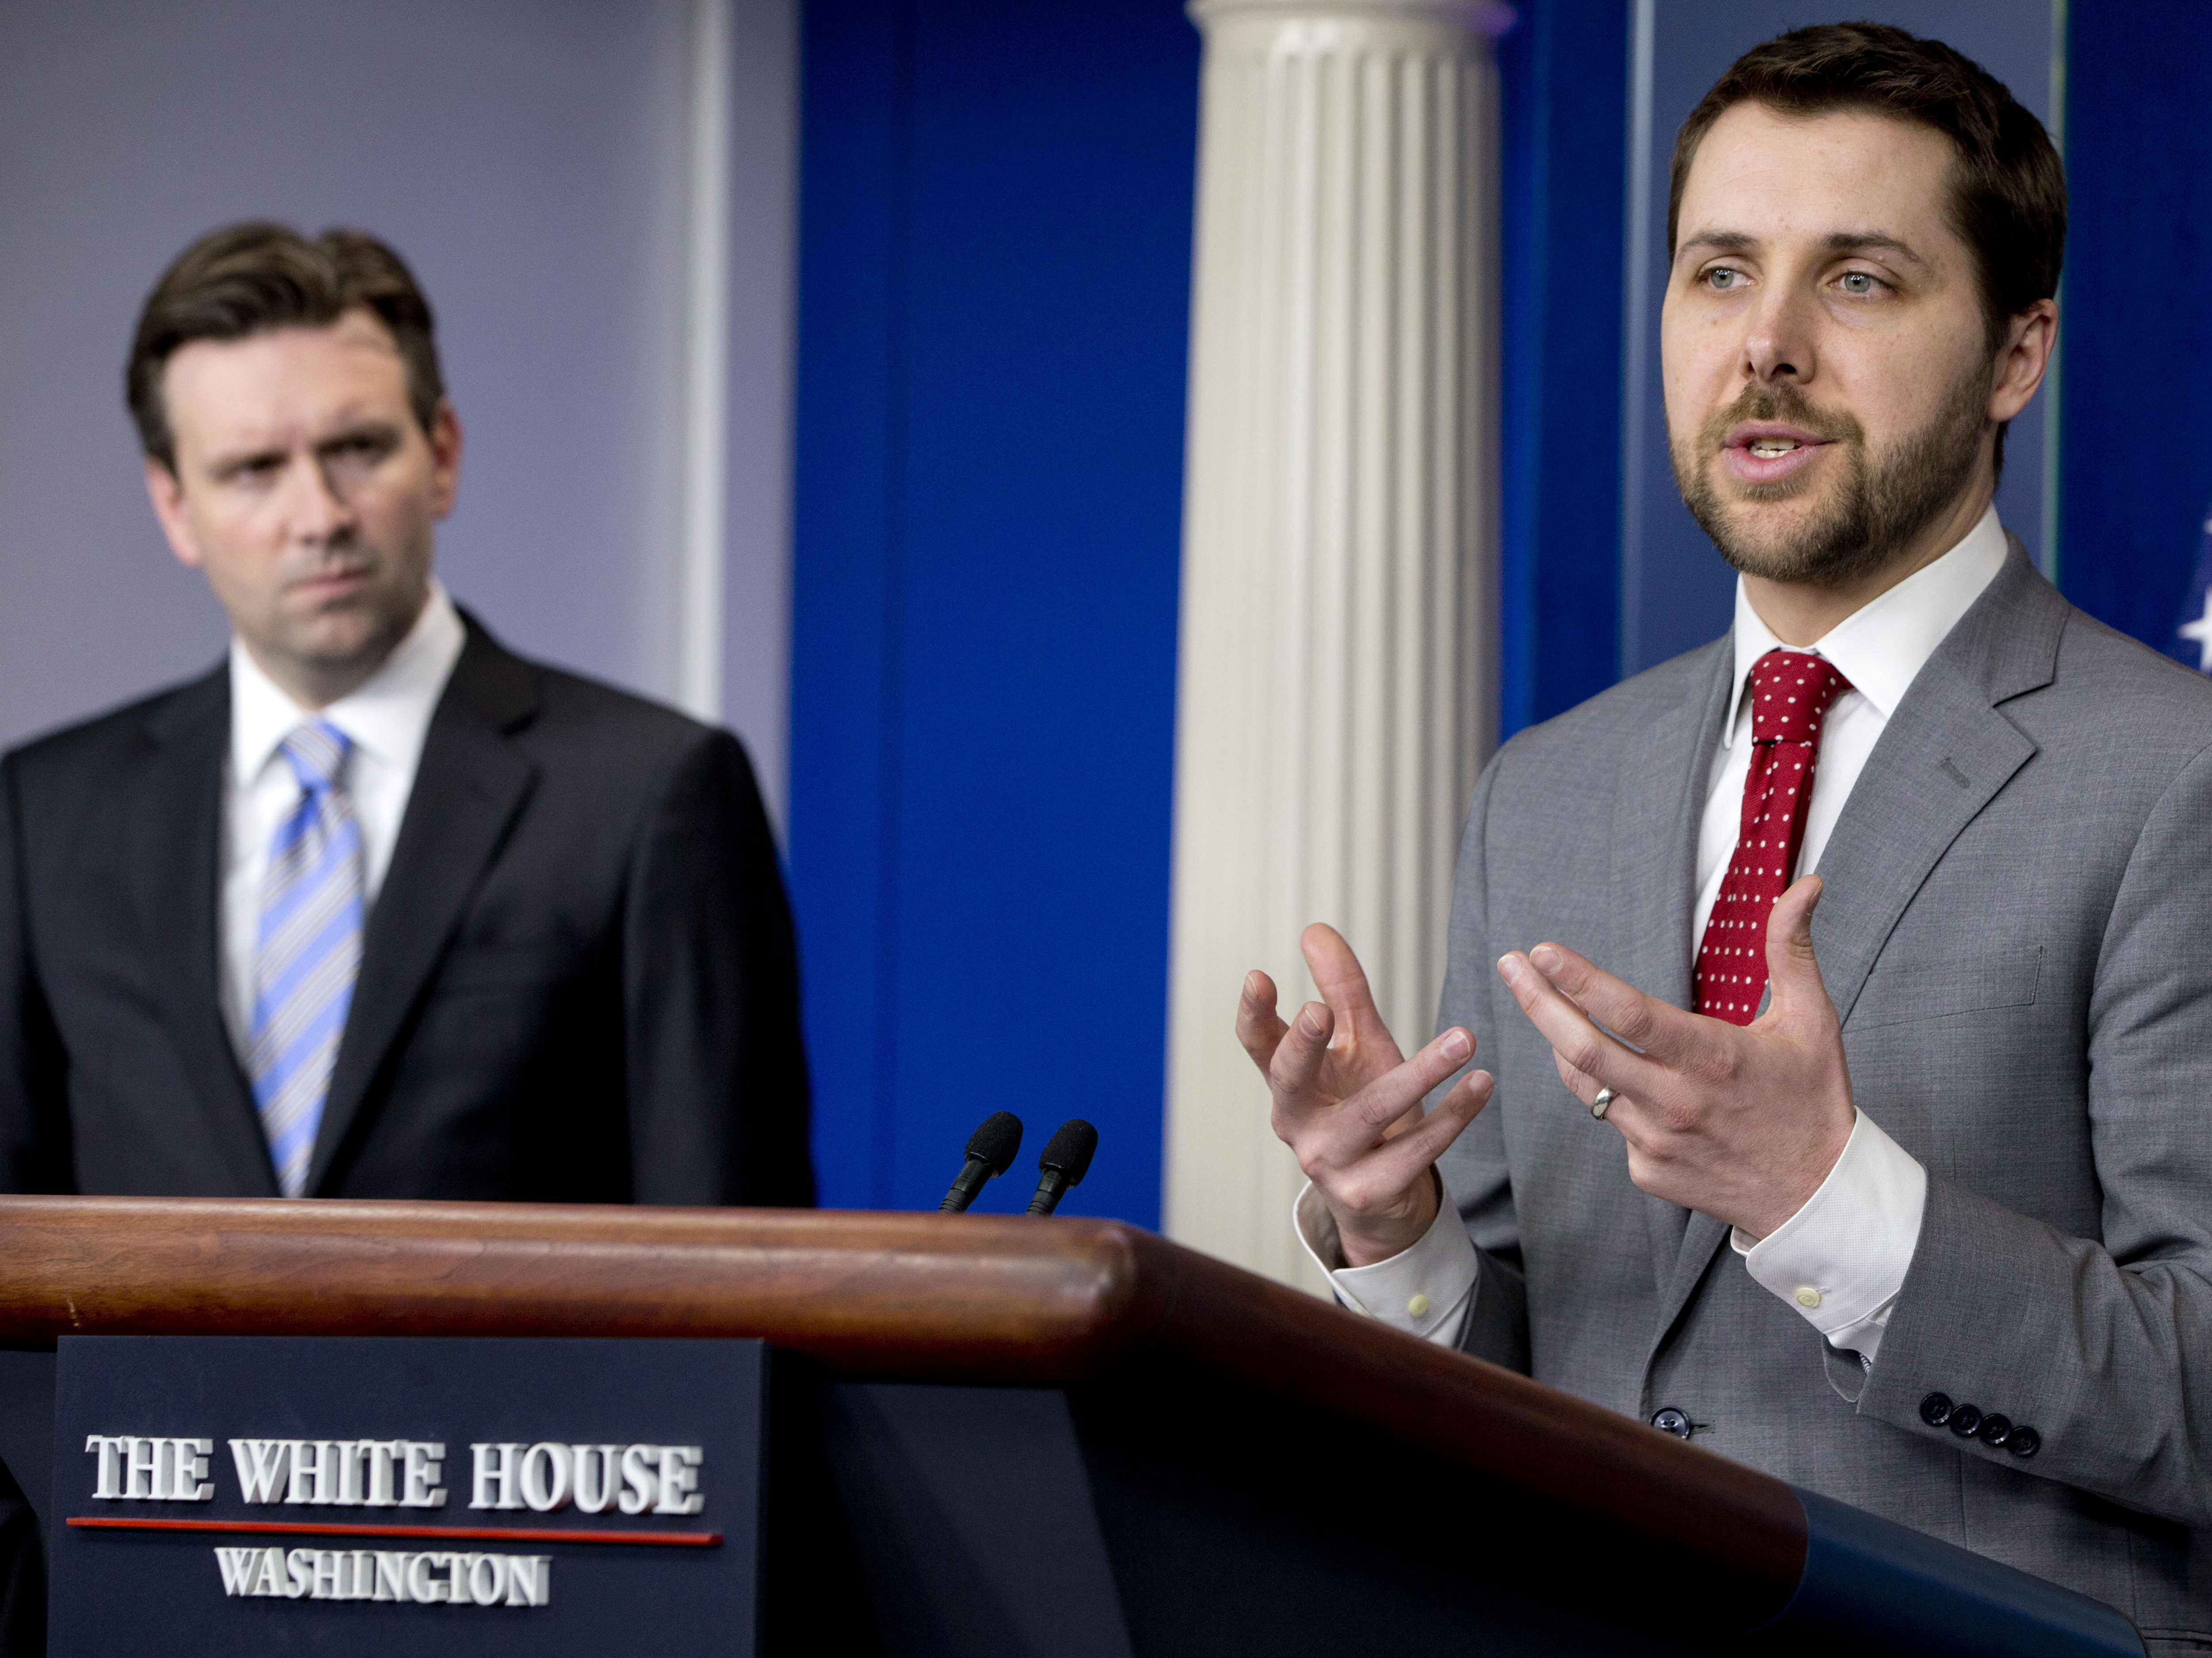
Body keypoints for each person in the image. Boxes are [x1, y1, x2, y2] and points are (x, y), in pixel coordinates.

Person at [1239, 23, 2212, 1643]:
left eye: (1858, 281)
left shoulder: (2174, 779)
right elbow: (1549, 1377)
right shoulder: (1544, 785)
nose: (1764, 348)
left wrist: (1830, 1199)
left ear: (2015, 355)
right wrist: (1390, 1237)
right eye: (1717, 274)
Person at [0, 222, 813, 1208]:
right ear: (174, 506)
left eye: (357, 449)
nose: (319, 516)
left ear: (442, 456)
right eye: (253, 469)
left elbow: (730, 1257)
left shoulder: (652, 795)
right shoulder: (44, 818)